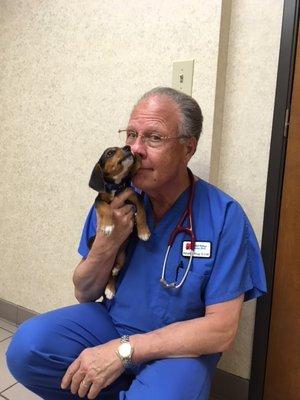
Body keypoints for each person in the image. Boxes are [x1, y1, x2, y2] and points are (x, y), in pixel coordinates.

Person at [6, 87, 267, 400]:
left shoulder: (224, 216)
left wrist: (123, 351)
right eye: (131, 134)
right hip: (111, 322)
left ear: (188, 149)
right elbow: (84, 292)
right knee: (26, 348)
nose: (136, 149)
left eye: (154, 137)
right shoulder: (114, 202)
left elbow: (221, 330)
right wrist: (108, 242)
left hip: (178, 351)